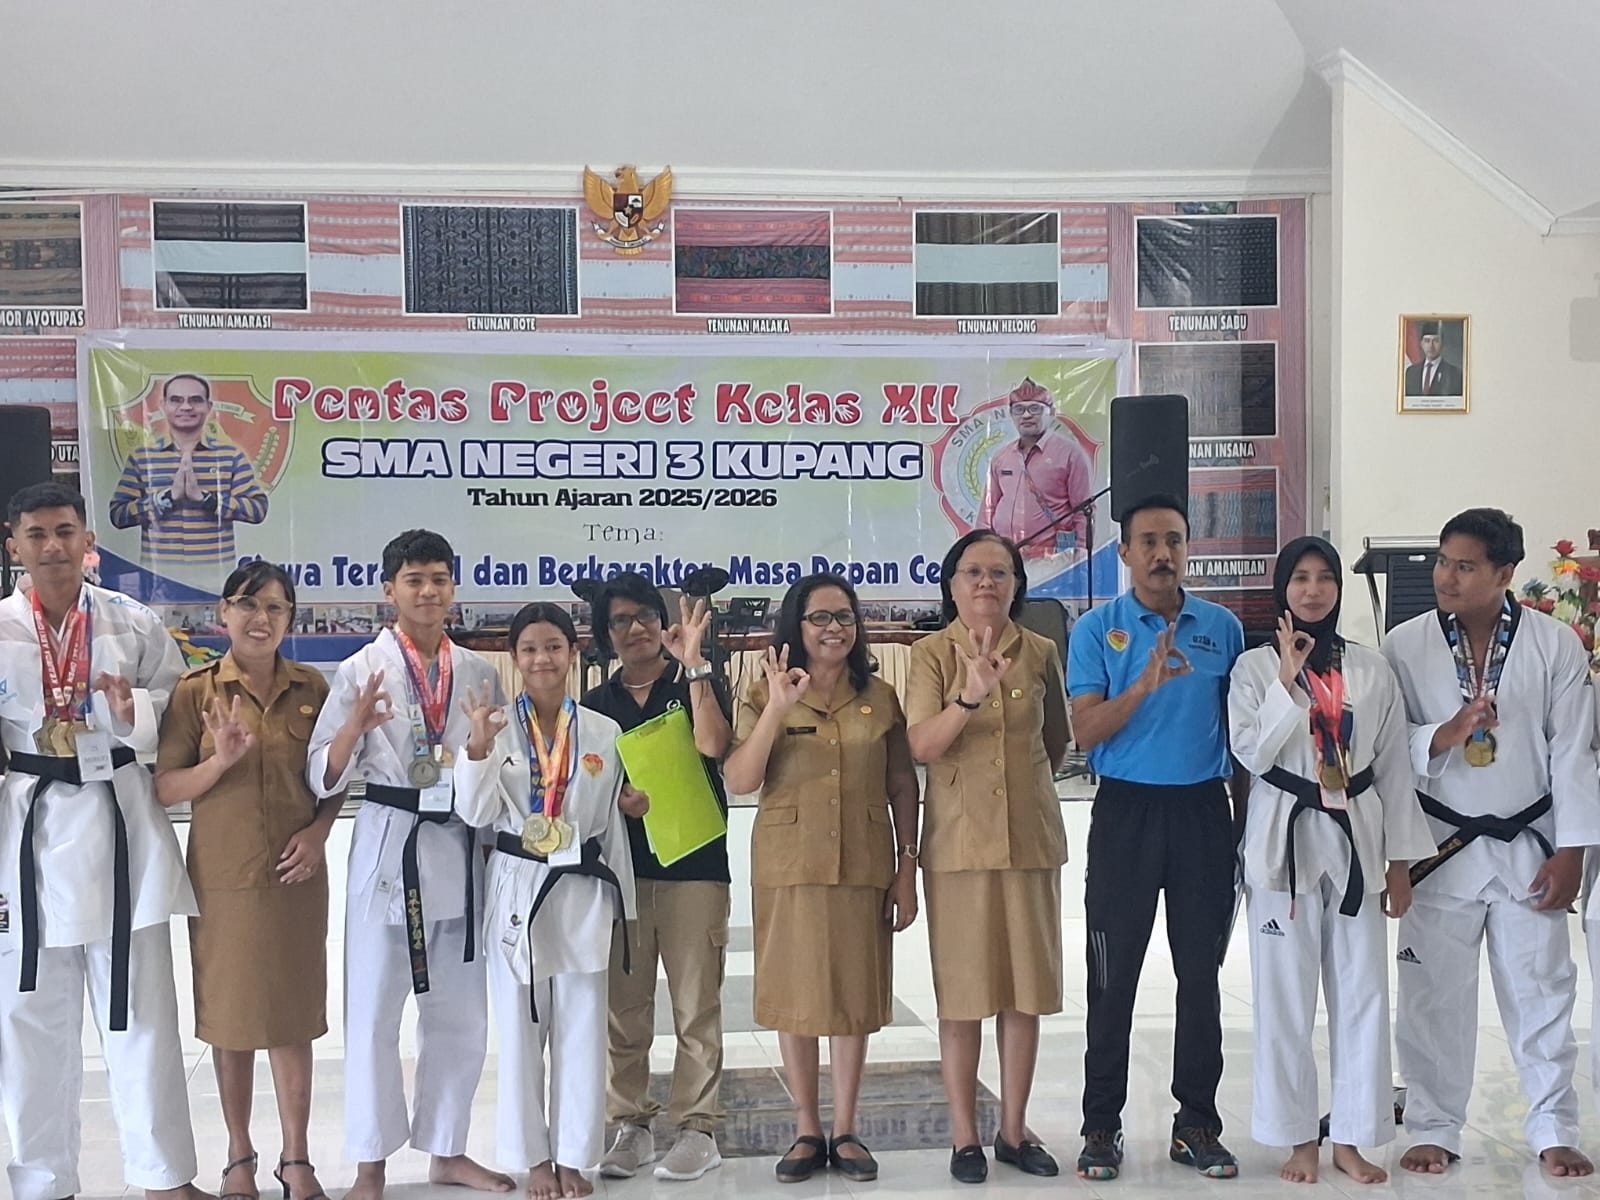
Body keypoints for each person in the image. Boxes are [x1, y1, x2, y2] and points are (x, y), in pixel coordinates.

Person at [0, 481, 207, 1200]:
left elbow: (177, 722)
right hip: (28, 830)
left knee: (143, 1013)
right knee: (28, 1016)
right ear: (14, 545)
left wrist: (131, 713)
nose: (52, 546)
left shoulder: (133, 622)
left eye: (65, 531)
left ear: (89, 541)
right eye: (36, 534)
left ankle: (163, 1177)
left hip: (120, 821)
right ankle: (41, 1181)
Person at [1382, 508, 1600, 1178]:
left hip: (1527, 845)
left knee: (1543, 992)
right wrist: (1444, 735)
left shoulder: (1555, 645)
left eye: (1465, 566)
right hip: (1439, 846)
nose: (1446, 577)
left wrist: (1573, 851)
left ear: (1505, 573)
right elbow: (1389, 750)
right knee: (1431, 997)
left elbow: (1573, 753)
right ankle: (1432, 1125)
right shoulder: (1404, 645)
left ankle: (1554, 1126)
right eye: (1442, 561)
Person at [306, 530, 512, 1200]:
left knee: (461, 1014)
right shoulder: (360, 669)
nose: (428, 591)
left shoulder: (478, 671)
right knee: (372, 1013)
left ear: (454, 587)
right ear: (388, 589)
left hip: (458, 842)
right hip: (389, 842)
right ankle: (369, 1163)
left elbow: (498, 767)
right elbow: (320, 774)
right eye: (414, 579)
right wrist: (352, 729)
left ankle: (447, 1150)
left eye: (439, 579)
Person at [1228, 537, 1437, 1185]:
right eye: (1300, 578)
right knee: (1284, 999)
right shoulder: (1253, 668)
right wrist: (1287, 681)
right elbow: (1251, 754)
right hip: (1283, 845)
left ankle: (1352, 1136)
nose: (1313, 590)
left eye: (1324, 578)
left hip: (1357, 842)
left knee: (1364, 994)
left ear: (1339, 589)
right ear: (1282, 588)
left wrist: (1400, 862)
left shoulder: (1372, 669)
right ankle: (1297, 1138)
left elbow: (1395, 767)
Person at [1065, 493, 1246, 1181]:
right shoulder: (1097, 629)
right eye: (1148, 541)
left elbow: (1241, 738)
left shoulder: (1222, 628)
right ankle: (1100, 1124)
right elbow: (1084, 732)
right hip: (1126, 815)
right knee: (1112, 978)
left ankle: (1196, 1123)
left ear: (1188, 548)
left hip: (1202, 814)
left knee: (1200, 977)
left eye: (1174, 540)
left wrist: (1242, 824)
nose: (1162, 553)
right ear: (1125, 553)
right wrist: (1142, 684)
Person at [723, 573, 919, 1185]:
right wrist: (776, 711)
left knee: (855, 995)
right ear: (797, 626)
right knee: (797, 993)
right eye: (820, 618)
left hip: (864, 859)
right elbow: (740, 779)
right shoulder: (765, 690)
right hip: (791, 863)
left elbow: (901, 784)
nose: (835, 628)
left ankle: (847, 1128)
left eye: (845, 617)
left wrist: (907, 865)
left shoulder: (880, 696)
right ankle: (807, 1127)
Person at [154, 561, 338, 1200]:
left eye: (276, 607)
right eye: (248, 605)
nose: (262, 618)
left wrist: (320, 833)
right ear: (223, 614)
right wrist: (220, 762)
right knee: (229, 1020)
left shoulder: (313, 688)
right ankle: (239, 1157)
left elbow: (334, 779)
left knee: (293, 1015)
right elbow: (165, 786)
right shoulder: (195, 692)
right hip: (225, 879)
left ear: (290, 619)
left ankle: (297, 1158)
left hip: (295, 874)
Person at [455, 603, 645, 1200]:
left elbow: (611, 827)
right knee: (519, 1028)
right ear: (514, 657)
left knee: (583, 1028)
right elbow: (475, 814)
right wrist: (477, 750)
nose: (542, 659)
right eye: (530, 648)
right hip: (518, 882)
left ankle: (574, 1156)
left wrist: (623, 904)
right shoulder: (492, 727)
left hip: (582, 885)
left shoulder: (603, 732)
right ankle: (533, 1158)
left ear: (573, 652)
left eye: (554, 647)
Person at [904, 531, 1069, 1184]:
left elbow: (1055, 743)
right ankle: (964, 1136)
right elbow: (922, 745)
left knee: (1025, 993)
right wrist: (968, 696)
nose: (986, 584)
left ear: (1017, 585)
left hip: (1029, 841)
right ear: (951, 585)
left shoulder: (1040, 651)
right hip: (959, 845)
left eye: (1000, 573)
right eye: (972, 572)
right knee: (964, 995)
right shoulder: (929, 655)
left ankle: (1014, 1130)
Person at [583, 574, 734, 1184]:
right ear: (606, 634)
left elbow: (715, 745)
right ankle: (632, 1125)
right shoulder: (594, 705)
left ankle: (698, 1128)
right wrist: (614, 799)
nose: (636, 628)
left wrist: (694, 667)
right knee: (625, 1011)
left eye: (645, 614)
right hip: (621, 873)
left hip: (695, 867)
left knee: (696, 1006)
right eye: (620, 620)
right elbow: (583, 785)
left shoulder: (695, 680)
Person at [108, 373, 269, 569]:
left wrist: (207, 500)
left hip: (216, 575)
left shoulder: (230, 455)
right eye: (176, 400)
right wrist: (166, 498)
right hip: (157, 577)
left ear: (209, 407)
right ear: (163, 406)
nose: (186, 407)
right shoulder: (143, 457)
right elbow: (118, 514)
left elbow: (258, 509)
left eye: (195, 400)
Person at [977, 377, 1093, 560]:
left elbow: (1083, 510)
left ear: (1051, 412)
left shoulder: (1070, 454)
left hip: (1051, 558)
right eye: (1019, 409)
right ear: (1011, 414)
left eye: (1035, 409)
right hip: (1005, 557)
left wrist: (1082, 553)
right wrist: (981, 549)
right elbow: (987, 510)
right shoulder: (1001, 457)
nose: (1026, 416)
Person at [1403, 321, 1464, 398]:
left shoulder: (1454, 374)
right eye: (1427, 341)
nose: (1431, 346)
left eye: (1436, 341)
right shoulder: (1411, 372)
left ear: (1442, 344)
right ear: (1421, 344)